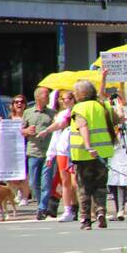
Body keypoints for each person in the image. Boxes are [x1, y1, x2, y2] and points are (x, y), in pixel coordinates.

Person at [69, 80, 116, 230]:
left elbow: (82, 126)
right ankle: (101, 211)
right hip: (103, 153)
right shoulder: (102, 105)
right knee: (100, 185)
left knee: (84, 187)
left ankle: (86, 219)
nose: (74, 95)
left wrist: (88, 146)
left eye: (75, 92)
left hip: (84, 154)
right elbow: (116, 118)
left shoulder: (78, 108)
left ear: (81, 94)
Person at [37, 90, 79, 222]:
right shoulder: (60, 114)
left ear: (74, 99)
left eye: (69, 98)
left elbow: (62, 124)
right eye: (63, 99)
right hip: (62, 151)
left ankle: (79, 207)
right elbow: (56, 135)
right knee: (65, 182)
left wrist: (47, 130)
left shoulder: (77, 111)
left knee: (75, 183)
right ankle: (68, 210)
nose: (66, 101)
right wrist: (50, 155)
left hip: (76, 150)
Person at [20, 87, 56, 219]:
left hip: (48, 153)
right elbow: (21, 130)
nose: (48, 97)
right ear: (38, 97)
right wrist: (27, 131)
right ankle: (41, 203)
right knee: (34, 183)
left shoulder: (53, 113)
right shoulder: (28, 113)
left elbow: (57, 129)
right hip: (33, 151)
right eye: (46, 95)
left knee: (46, 181)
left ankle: (42, 208)